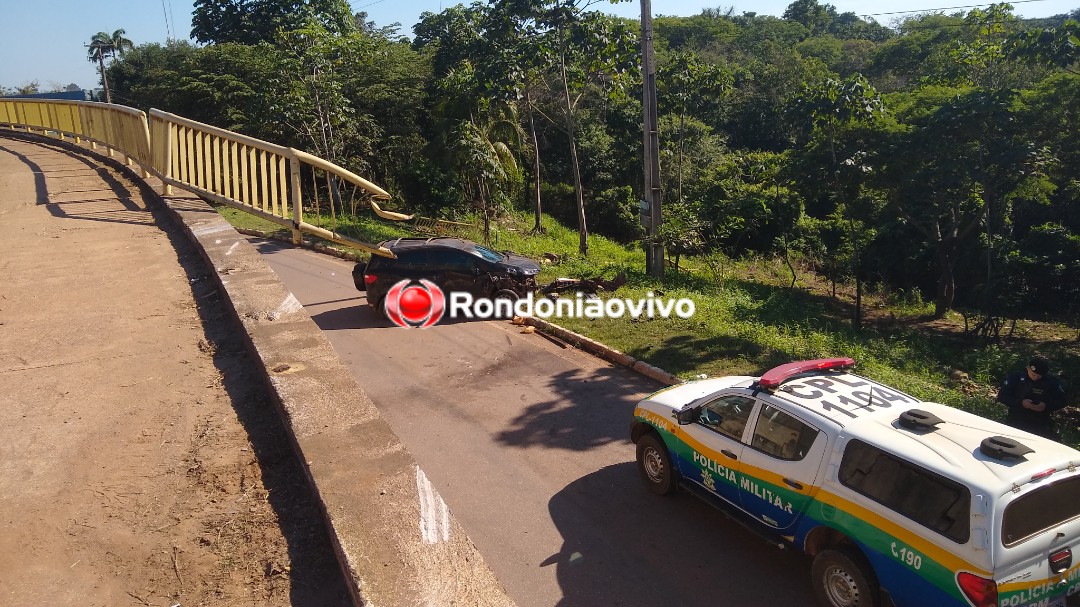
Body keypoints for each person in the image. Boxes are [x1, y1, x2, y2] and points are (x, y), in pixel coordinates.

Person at [996, 356, 1066, 439]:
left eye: (1039, 376)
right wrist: (1021, 403)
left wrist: (1046, 406)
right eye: (1033, 374)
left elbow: (1062, 401)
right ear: (1028, 368)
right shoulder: (1016, 378)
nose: (1036, 378)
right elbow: (1002, 396)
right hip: (1016, 420)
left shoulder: (1052, 383)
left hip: (1040, 423)